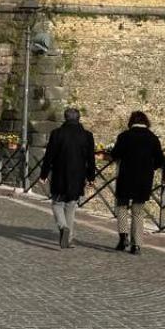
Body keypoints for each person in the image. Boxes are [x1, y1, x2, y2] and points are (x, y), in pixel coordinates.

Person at [38, 107, 98, 249]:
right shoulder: (87, 135)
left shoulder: (57, 134)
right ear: (79, 118)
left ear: (65, 118)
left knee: (57, 203)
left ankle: (63, 226)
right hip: (78, 175)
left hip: (60, 173)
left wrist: (43, 174)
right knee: (71, 205)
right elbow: (91, 158)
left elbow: (49, 156)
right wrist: (91, 177)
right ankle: (69, 238)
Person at [110, 110, 164, 253]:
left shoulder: (124, 136)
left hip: (126, 177)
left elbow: (115, 154)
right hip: (143, 180)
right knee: (138, 212)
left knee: (121, 207)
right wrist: (149, 168)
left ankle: (123, 238)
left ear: (131, 122)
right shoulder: (153, 138)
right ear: (146, 122)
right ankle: (137, 245)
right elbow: (160, 160)